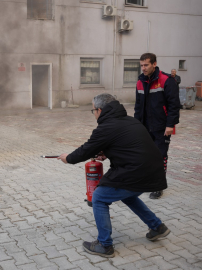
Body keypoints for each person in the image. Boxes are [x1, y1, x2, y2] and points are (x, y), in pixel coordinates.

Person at [57, 93, 170, 258]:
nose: (93, 114)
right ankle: (157, 227)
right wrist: (108, 152)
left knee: (100, 197)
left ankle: (104, 245)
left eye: (93, 110)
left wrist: (68, 158)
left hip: (136, 172)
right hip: (153, 170)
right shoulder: (130, 120)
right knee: (128, 195)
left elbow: (86, 150)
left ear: (100, 110)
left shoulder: (106, 127)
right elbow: (127, 146)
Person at [134, 53, 180, 199]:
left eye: (146, 65)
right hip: (144, 126)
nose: (143, 68)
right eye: (141, 65)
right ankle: (147, 180)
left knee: (160, 156)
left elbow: (174, 105)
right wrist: (136, 125)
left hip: (161, 126)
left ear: (154, 64)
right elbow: (138, 106)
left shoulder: (166, 80)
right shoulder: (140, 81)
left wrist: (170, 125)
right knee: (146, 155)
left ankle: (159, 186)